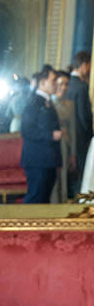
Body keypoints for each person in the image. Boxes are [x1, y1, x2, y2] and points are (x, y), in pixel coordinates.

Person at [20, 64, 62, 203]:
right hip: (37, 160)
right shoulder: (34, 102)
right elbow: (26, 130)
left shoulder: (48, 101)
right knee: (35, 199)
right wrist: (50, 135)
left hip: (49, 160)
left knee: (44, 201)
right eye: (53, 80)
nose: (56, 83)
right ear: (43, 83)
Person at [67, 51, 93, 199]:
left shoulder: (67, 83)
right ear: (84, 66)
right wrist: (91, 135)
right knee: (81, 173)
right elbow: (84, 117)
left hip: (69, 136)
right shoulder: (82, 87)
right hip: (81, 137)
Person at [51, 70, 76, 202]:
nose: (64, 87)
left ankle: (63, 203)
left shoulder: (70, 104)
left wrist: (73, 153)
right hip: (51, 145)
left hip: (65, 145)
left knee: (64, 176)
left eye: (66, 84)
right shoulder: (48, 103)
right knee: (54, 178)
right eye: (61, 84)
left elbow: (72, 130)